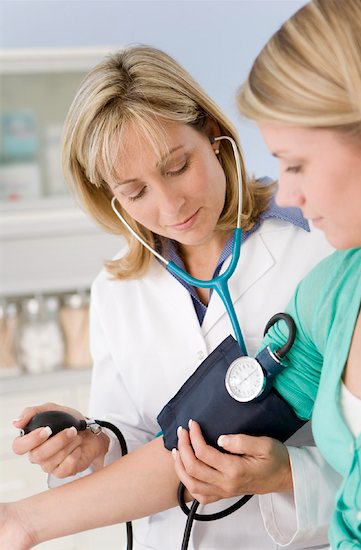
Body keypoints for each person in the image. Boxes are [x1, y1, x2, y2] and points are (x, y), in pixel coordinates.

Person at [1, 43, 337, 549]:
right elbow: (134, 438)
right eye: (135, 193)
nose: (169, 204)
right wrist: (93, 443)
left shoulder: (319, 248)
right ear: (112, 199)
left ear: (212, 135)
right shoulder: (117, 291)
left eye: (178, 166)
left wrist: (289, 473)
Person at [172, 0, 361, 548]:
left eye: (297, 163)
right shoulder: (337, 289)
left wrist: (287, 474)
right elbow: (209, 439)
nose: (287, 193)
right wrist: (25, 520)